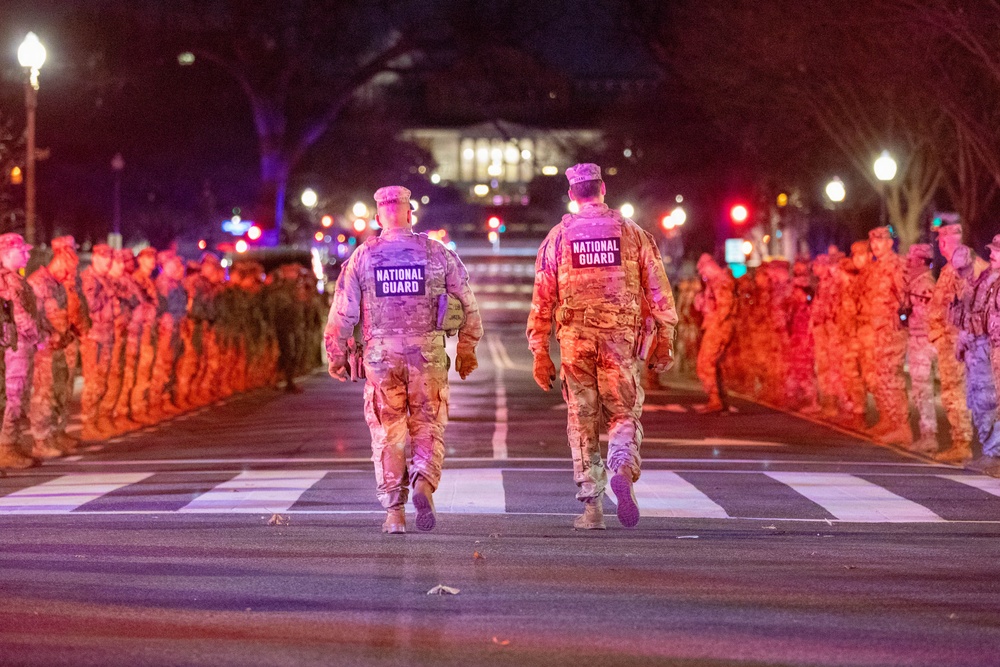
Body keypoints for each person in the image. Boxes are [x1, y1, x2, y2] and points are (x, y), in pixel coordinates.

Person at [527, 163, 677, 530]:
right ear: (603, 189)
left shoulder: (559, 238)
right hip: (620, 339)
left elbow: (542, 299)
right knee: (623, 411)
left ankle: (592, 508)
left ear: (572, 195)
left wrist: (540, 353)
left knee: (582, 419)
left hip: (575, 340)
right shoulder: (632, 232)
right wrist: (665, 340)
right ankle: (622, 464)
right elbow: (658, 289)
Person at [325, 185, 483, 534]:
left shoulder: (364, 257)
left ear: (379, 215)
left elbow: (343, 313)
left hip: (381, 358)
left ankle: (394, 513)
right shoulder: (437, 253)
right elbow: (467, 304)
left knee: (388, 432)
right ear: (410, 213)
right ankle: (423, 484)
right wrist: (468, 348)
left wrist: (336, 355)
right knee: (428, 424)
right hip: (427, 353)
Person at [859, 227, 911, 446]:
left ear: (890, 243)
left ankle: (902, 427)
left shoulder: (897, 265)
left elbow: (906, 298)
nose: (876, 245)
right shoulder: (875, 268)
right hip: (876, 331)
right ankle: (889, 420)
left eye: (880, 241)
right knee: (882, 377)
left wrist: (898, 320)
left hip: (892, 332)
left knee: (893, 377)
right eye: (873, 242)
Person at [951, 245, 1000, 474]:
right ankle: (990, 451)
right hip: (981, 346)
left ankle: (994, 453)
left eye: (997, 250)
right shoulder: (987, 279)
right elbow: (974, 312)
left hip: (990, 346)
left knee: (989, 401)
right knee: (980, 399)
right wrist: (965, 337)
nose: (992, 253)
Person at [0, 233, 47, 467]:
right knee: (14, 394)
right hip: (15, 345)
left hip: (21, 344)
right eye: (22, 251)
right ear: (7, 253)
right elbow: (19, 316)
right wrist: (38, 337)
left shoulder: (16, 279)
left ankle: (12, 444)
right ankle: (6, 446)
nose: (27, 255)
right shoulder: (6, 281)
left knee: (20, 393)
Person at [930, 224, 974, 463]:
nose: (938, 244)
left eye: (940, 240)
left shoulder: (959, 268)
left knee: (955, 393)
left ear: (947, 242)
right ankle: (960, 441)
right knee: (951, 392)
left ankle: (962, 443)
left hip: (955, 342)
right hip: (949, 340)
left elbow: (966, 305)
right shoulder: (951, 268)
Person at [28, 246, 76, 456]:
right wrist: (50, 334)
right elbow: (35, 317)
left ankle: (53, 434)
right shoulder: (38, 283)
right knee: (43, 393)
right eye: (67, 269)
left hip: (58, 346)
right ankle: (41, 440)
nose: (68, 275)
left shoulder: (56, 285)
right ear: (58, 262)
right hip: (43, 348)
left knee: (57, 391)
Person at [902, 244, 939, 454]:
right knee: (920, 390)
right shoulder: (915, 283)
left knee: (923, 390)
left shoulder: (924, 285)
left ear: (919, 261)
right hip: (918, 340)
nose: (908, 263)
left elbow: (928, 316)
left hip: (923, 341)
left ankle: (929, 436)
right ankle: (927, 435)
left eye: (912, 259)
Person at [80, 244, 118, 440]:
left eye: (110, 259)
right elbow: (89, 305)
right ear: (95, 258)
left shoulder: (105, 280)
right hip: (94, 336)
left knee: (102, 381)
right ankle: (88, 423)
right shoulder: (89, 279)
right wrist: (105, 295)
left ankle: (98, 420)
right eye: (105, 259)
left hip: (106, 334)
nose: (108, 263)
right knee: (93, 382)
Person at [693, 253, 735, 413]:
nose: (702, 274)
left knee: (705, 363)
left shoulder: (721, 282)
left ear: (709, 266)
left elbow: (725, 308)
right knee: (712, 363)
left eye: (703, 270)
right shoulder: (714, 283)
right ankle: (718, 399)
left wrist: (714, 324)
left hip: (718, 327)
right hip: (715, 325)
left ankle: (715, 400)